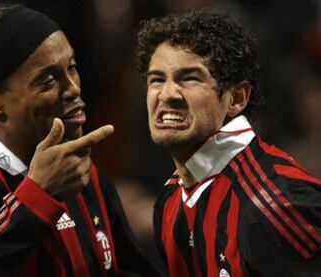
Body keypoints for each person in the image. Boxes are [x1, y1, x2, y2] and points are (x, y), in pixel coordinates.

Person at [0, 4, 163, 276]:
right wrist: (36, 198)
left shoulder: (85, 176)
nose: (74, 88)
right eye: (48, 80)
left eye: (72, 68)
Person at [135, 10, 321, 277]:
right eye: (157, 79)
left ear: (236, 98)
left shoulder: (278, 203)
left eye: (190, 78)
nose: (167, 94)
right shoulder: (171, 200)